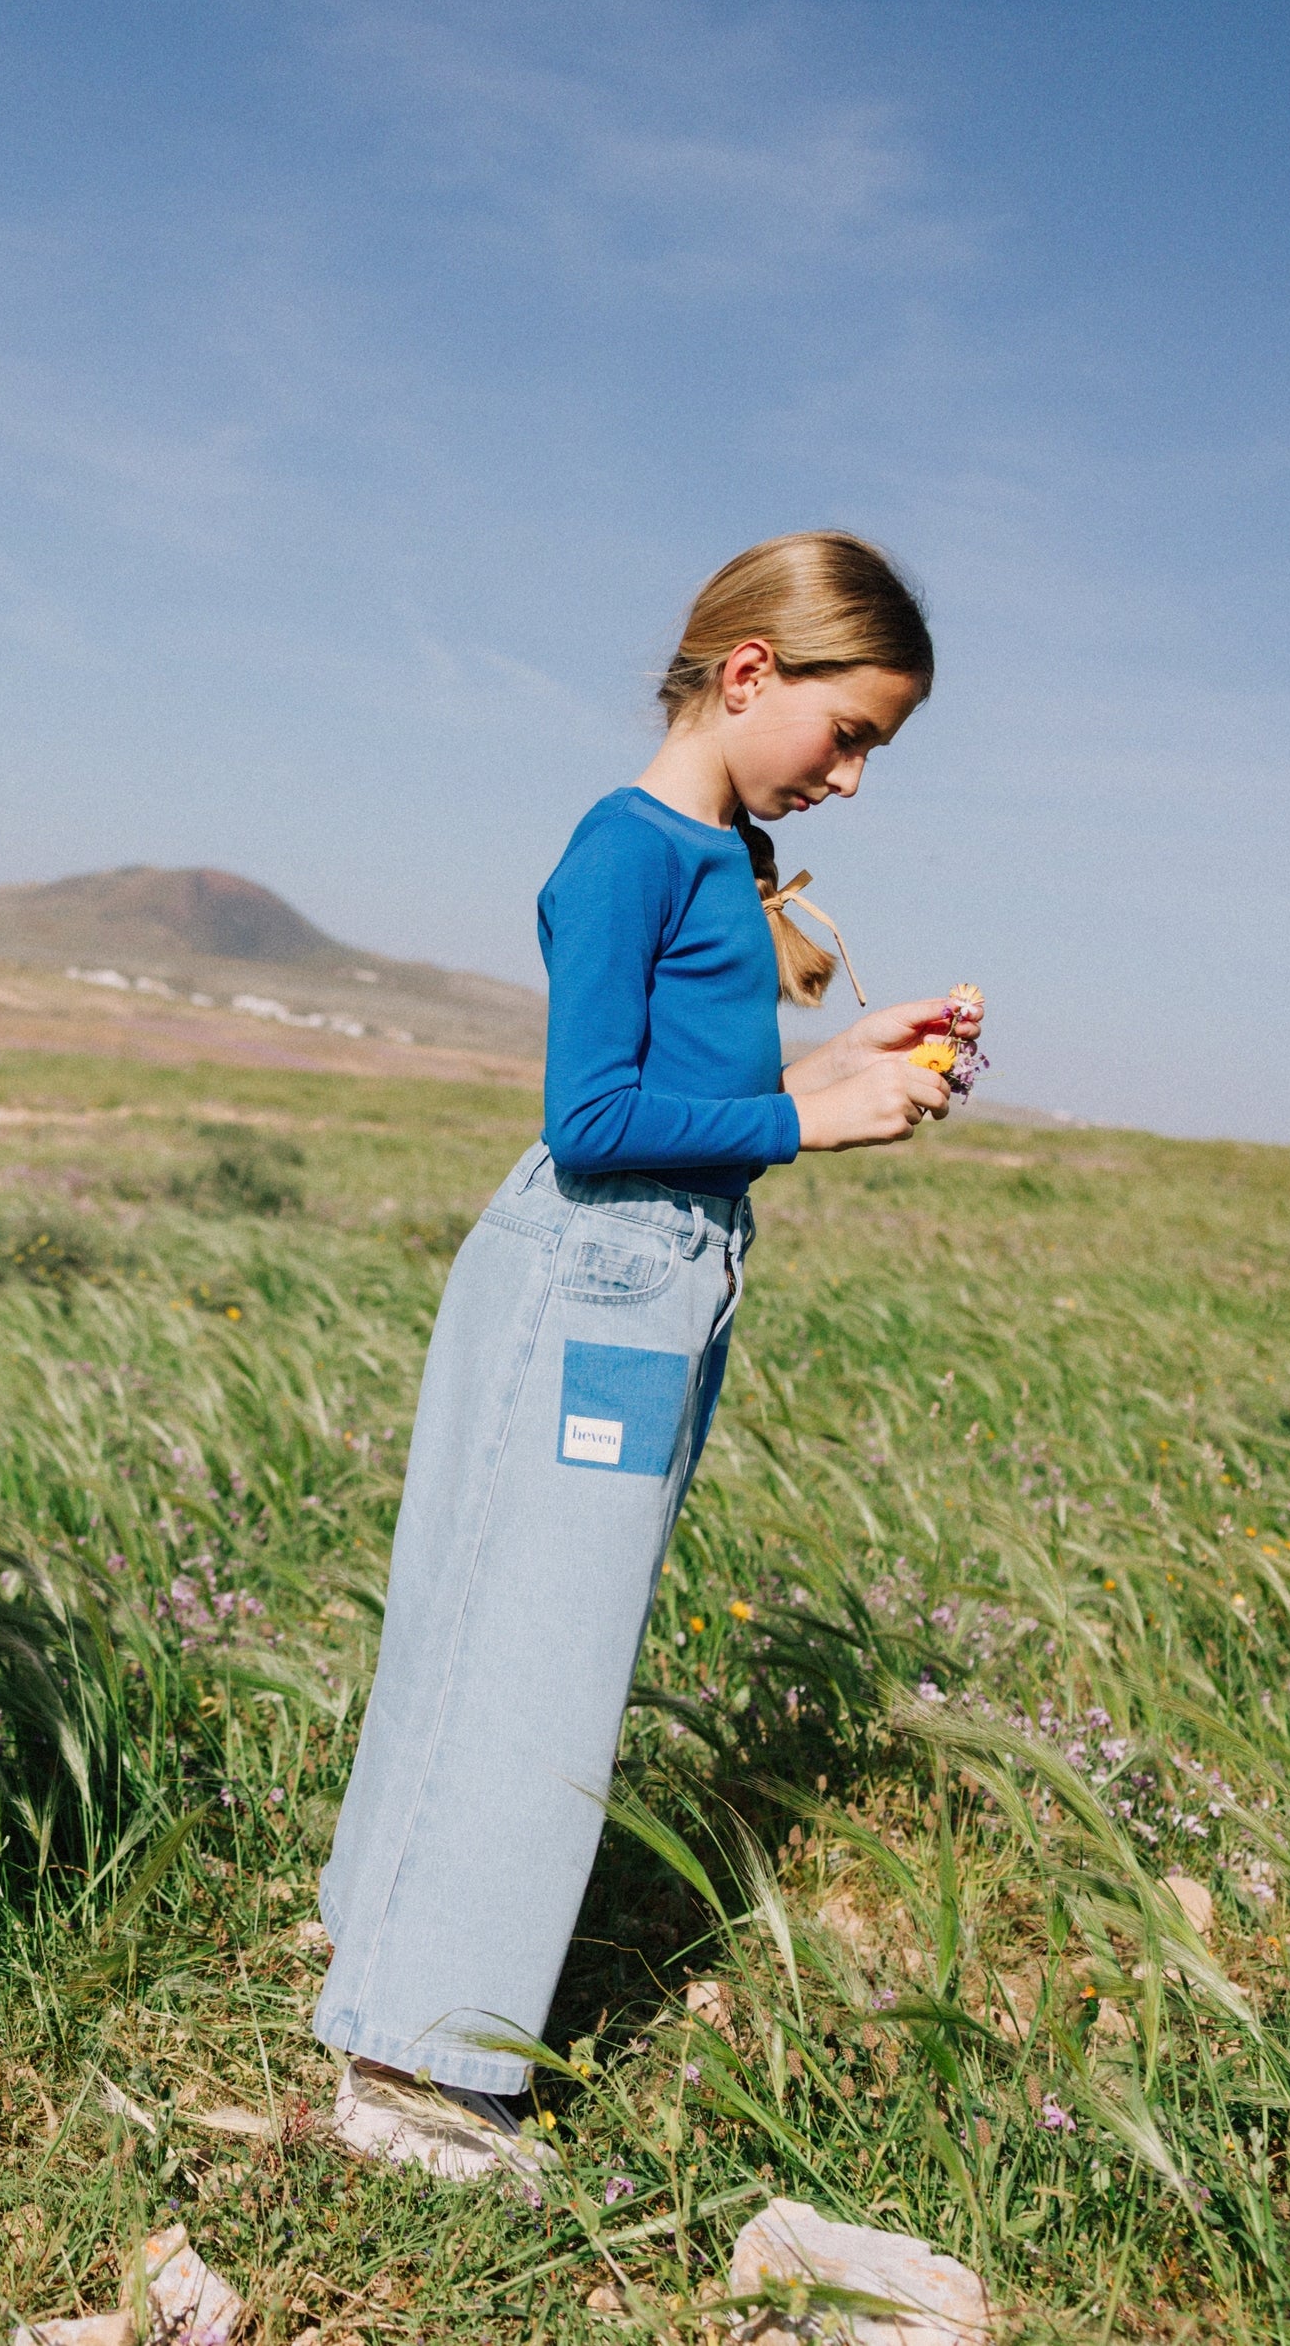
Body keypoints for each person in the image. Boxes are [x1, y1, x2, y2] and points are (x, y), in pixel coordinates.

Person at [314, 531, 972, 2183]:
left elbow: (683, 1101)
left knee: (531, 1628)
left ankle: (388, 1978)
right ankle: (417, 2070)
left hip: (658, 1274)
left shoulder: (709, 856)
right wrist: (807, 1116)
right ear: (752, 673)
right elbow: (593, 1120)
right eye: (851, 734)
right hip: (598, 1278)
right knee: (530, 1645)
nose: (852, 776)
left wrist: (831, 1063)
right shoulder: (628, 848)